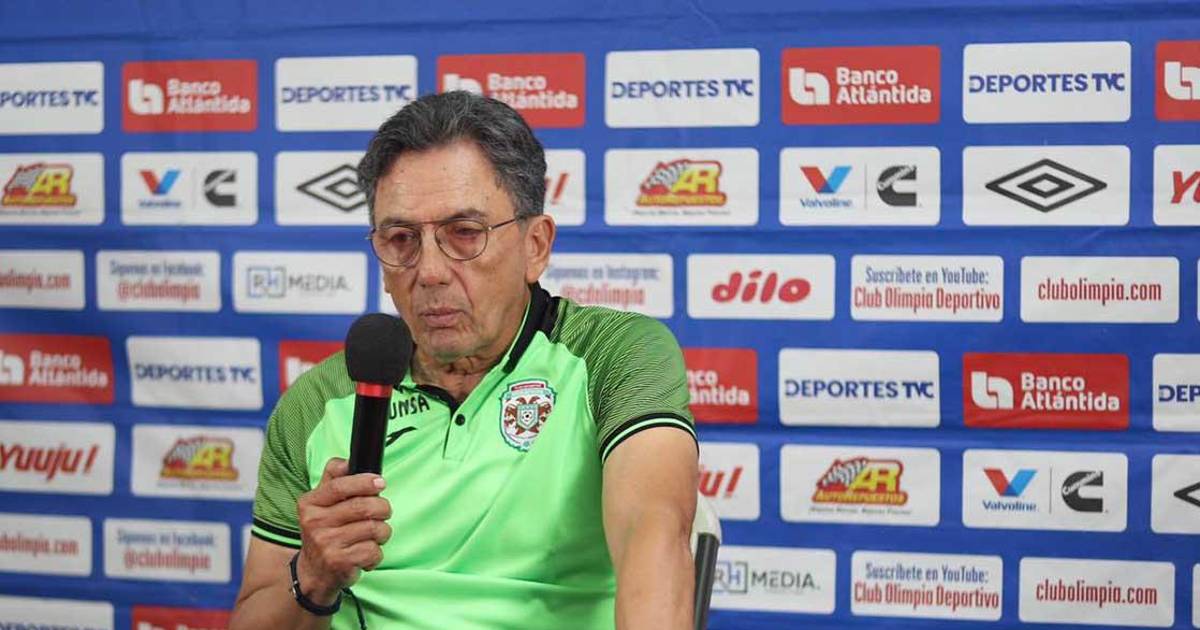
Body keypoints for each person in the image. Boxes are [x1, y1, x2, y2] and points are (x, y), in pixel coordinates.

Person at [230, 91, 699, 630]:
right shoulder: (319, 401)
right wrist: (312, 575)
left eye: (464, 234)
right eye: (401, 239)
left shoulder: (615, 355)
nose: (429, 271)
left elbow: (653, 536)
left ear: (535, 246)